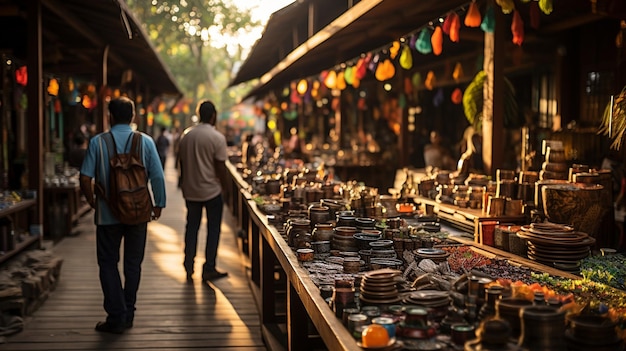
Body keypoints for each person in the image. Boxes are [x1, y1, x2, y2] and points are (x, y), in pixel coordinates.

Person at [79, 97, 166, 334]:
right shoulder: (145, 142)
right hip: (139, 213)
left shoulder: (98, 142)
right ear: (133, 117)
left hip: (108, 216)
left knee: (108, 263)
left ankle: (116, 315)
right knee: (133, 265)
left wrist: (92, 202)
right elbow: (157, 176)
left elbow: (85, 178)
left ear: (110, 116)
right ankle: (128, 312)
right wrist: (158, 204)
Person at [178, 99, 231, 283]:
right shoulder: (217, 137)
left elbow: (182, 163)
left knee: (191, 228)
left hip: (191, 190)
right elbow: (220, 167)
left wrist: (184, 183)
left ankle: (188, 264)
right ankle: (208, 267)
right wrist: (225, 188)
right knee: (213, 229)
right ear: (213, 116)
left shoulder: (187, 135)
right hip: (211, 191)